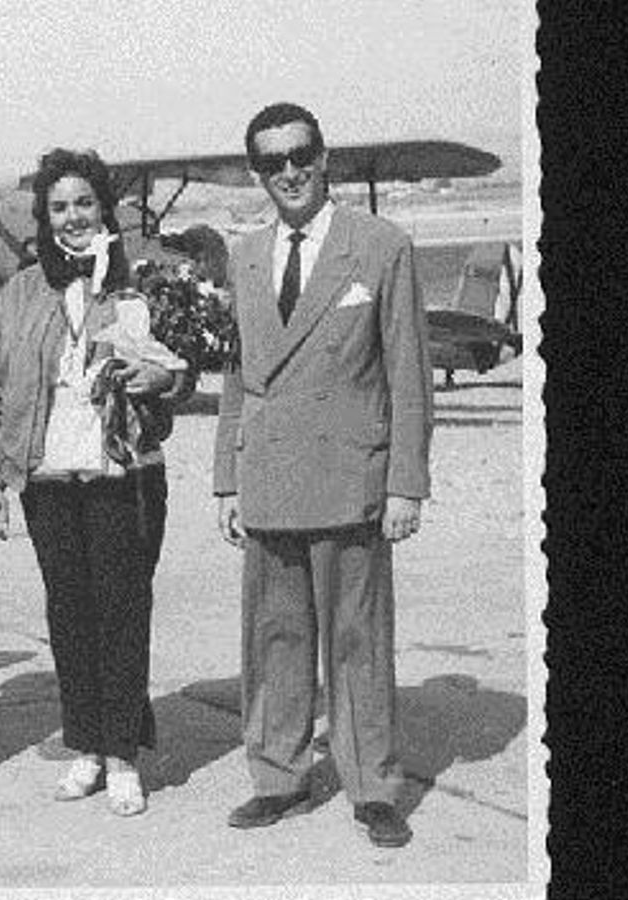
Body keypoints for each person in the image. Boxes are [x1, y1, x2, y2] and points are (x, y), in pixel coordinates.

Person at [214, 103, 432, 848]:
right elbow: (239, 375)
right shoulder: (243, 255)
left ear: (324, 155)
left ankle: (374, 789)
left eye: (301, 154)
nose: (290, 172)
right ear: (257, 173)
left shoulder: (379, 246)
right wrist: (225, 481)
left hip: (351, 480)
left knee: (357, 643)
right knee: (273, 641)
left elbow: (408, 374)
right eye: (272, 162)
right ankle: (277, 778)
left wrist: (406, 483)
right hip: (270, 479)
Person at [0, 149, 197, 816]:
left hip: (121, 474)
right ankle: (88, 747)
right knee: (68, 616)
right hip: (48, 478)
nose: (73, 218)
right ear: (44, 216)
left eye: (84, 204)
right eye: (59, 207)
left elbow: (180, 371)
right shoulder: (18, 293)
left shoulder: (138, 282)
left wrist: (164, 379)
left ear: (105, 209)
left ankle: (124, 755)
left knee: (122, 615)